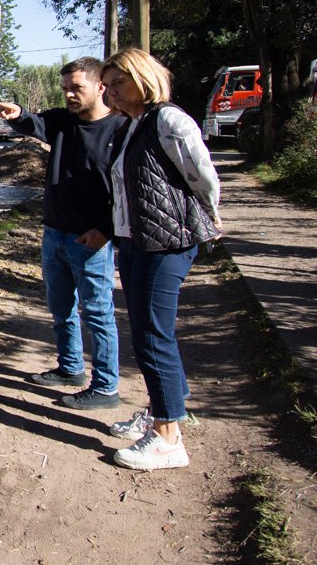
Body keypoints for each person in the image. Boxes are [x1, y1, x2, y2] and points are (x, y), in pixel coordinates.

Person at [101, 47, 221, 471]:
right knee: (146, 331)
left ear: (143, 78)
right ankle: (161, 411)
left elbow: (203, 176)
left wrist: (210, 218)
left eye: (119, 82)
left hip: (167, 243)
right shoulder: (133, 125)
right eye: (107, 85)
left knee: (153, 336)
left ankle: (168, 438)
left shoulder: (168, 120)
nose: (111, 91)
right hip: (137, 242)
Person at [0, 57, 127, 409]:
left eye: (76, 88)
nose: (69, 94)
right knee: (61, 308)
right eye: (65, 88)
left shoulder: (120, 130)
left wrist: (106, 231)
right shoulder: (63, 121)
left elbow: (127, 191)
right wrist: (17, 113)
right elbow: (34, 122)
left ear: (100, 87)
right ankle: (70, 368)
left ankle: (106, 387)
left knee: (97, 313)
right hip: (54, 234)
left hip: (91, 241)